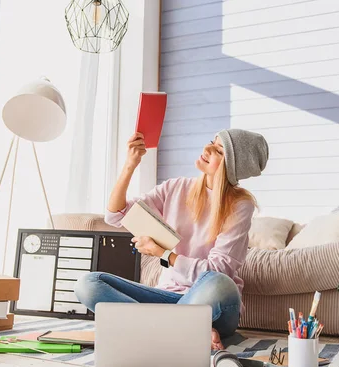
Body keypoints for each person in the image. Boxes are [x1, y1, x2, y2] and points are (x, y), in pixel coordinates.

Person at [74, 128, 269, 350]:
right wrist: (130, 165)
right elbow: (116, 215)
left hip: (213, 305)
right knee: (88, 284)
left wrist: (163, 254)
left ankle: (156, 330)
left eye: (218, 151)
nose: (206, 149)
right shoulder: (176, 187)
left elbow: (217, 271)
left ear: (232, 167)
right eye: (210, 142)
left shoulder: (240, 206)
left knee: (220, 283)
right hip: (167, 297)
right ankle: (184, 330)